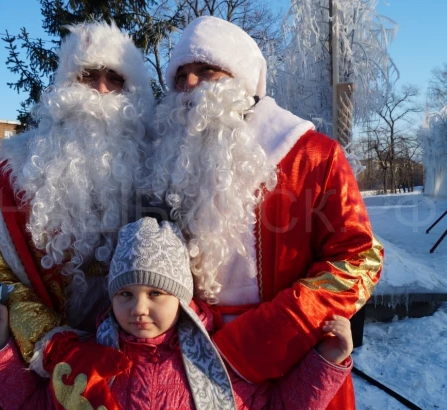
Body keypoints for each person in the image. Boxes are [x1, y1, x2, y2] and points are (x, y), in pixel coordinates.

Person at [147, 16, 385, 409]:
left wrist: (265, 337)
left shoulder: (313, 155)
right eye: (181, 75)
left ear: (240, 79)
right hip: (183, 367)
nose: (189, 85)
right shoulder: (163, 163)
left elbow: (359, 257)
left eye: (206, 70)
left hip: (290, 362)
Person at [0, 20, 155, 409]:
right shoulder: (12, 179)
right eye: (86, 76)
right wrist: (54, 344)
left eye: (114, 78)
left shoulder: (159, 170)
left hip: (144, 369)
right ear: (65, 85)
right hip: (41, 376)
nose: (99, 89)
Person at [0, 217, 354, 410]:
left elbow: (278, 406)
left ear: (183, 298)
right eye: (125, 293)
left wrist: (327, 361)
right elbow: (32, 406)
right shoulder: (87, 363)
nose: (139, 308)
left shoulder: (217, 364)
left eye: (156, 293)